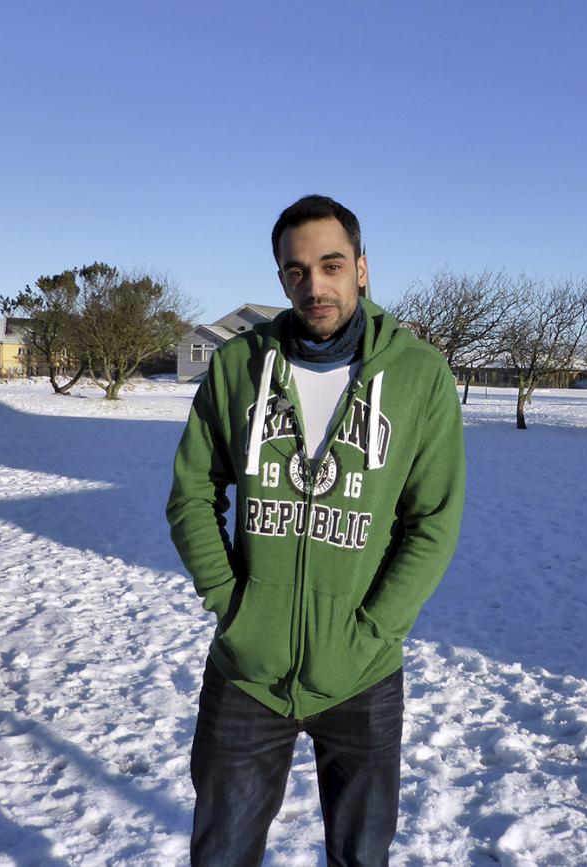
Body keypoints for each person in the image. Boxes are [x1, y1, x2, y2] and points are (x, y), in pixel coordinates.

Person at [166, 194, 466, 866]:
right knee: (220, 854)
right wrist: (234, 606)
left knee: (362, 857)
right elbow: (190, 492)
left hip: (364, 673)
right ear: (281, 280)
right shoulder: (239, 366)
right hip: (248, 671)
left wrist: (376, 629)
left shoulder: (419, 376)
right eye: (295, 271)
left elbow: (434, 519)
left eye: (331, 265)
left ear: (361, 268)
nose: (314, 284)